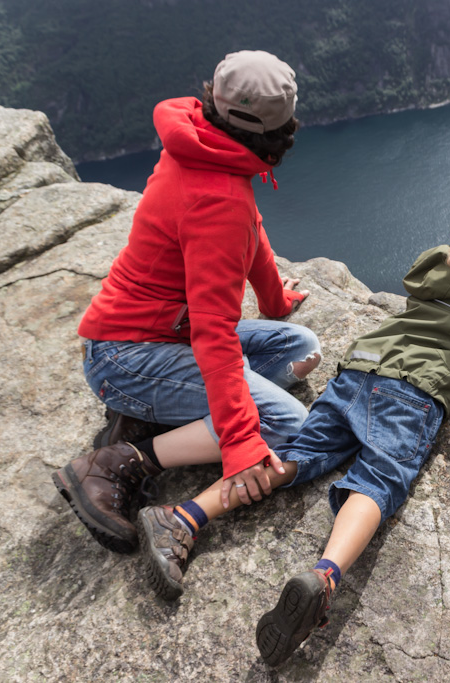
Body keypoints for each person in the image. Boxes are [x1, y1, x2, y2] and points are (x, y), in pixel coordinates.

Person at [133, 192, 450, 666]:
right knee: (378, 481)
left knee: (294, 457)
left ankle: (182, 518)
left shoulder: (435, 273)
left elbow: (449, 263)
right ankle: (324, 578)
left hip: (357, 372)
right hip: (411, 392)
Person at [52, 50, 322, 556]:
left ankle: (152, 412)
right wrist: (241, 443)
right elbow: (214, 332)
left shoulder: (199, 142)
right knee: (286, 425)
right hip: (127, 356)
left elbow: (252, 230)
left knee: (297, 346)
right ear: (282, 127)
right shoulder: (218, 198)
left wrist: (273, 299)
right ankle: (119, 461)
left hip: (151, 337)